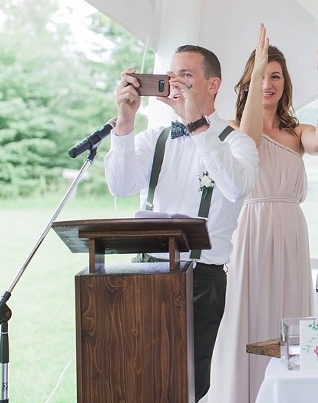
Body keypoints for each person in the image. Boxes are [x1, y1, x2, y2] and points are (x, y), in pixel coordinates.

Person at [104, 45, 259, 402]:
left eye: (186, 76)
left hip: (199, 279)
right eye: (171, 75)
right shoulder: (153, 138)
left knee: (187, 385)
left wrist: (198, 126)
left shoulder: (238, 143)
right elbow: (120, 185)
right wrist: (125, 123)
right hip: (143, 276)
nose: (175, 83)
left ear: (213, 84)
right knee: (137, 380)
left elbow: (236, 187)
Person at [210, 25, 318, 403]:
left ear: (286, 84)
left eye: (276, 76)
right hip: (249, 229)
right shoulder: (234, 128)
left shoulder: (297, 132)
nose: (269, 83)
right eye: (262, 75)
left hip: (289, 232)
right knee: (246, 313)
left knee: (289, 315)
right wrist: (259, 65)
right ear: (249, 81)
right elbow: (249, 142)